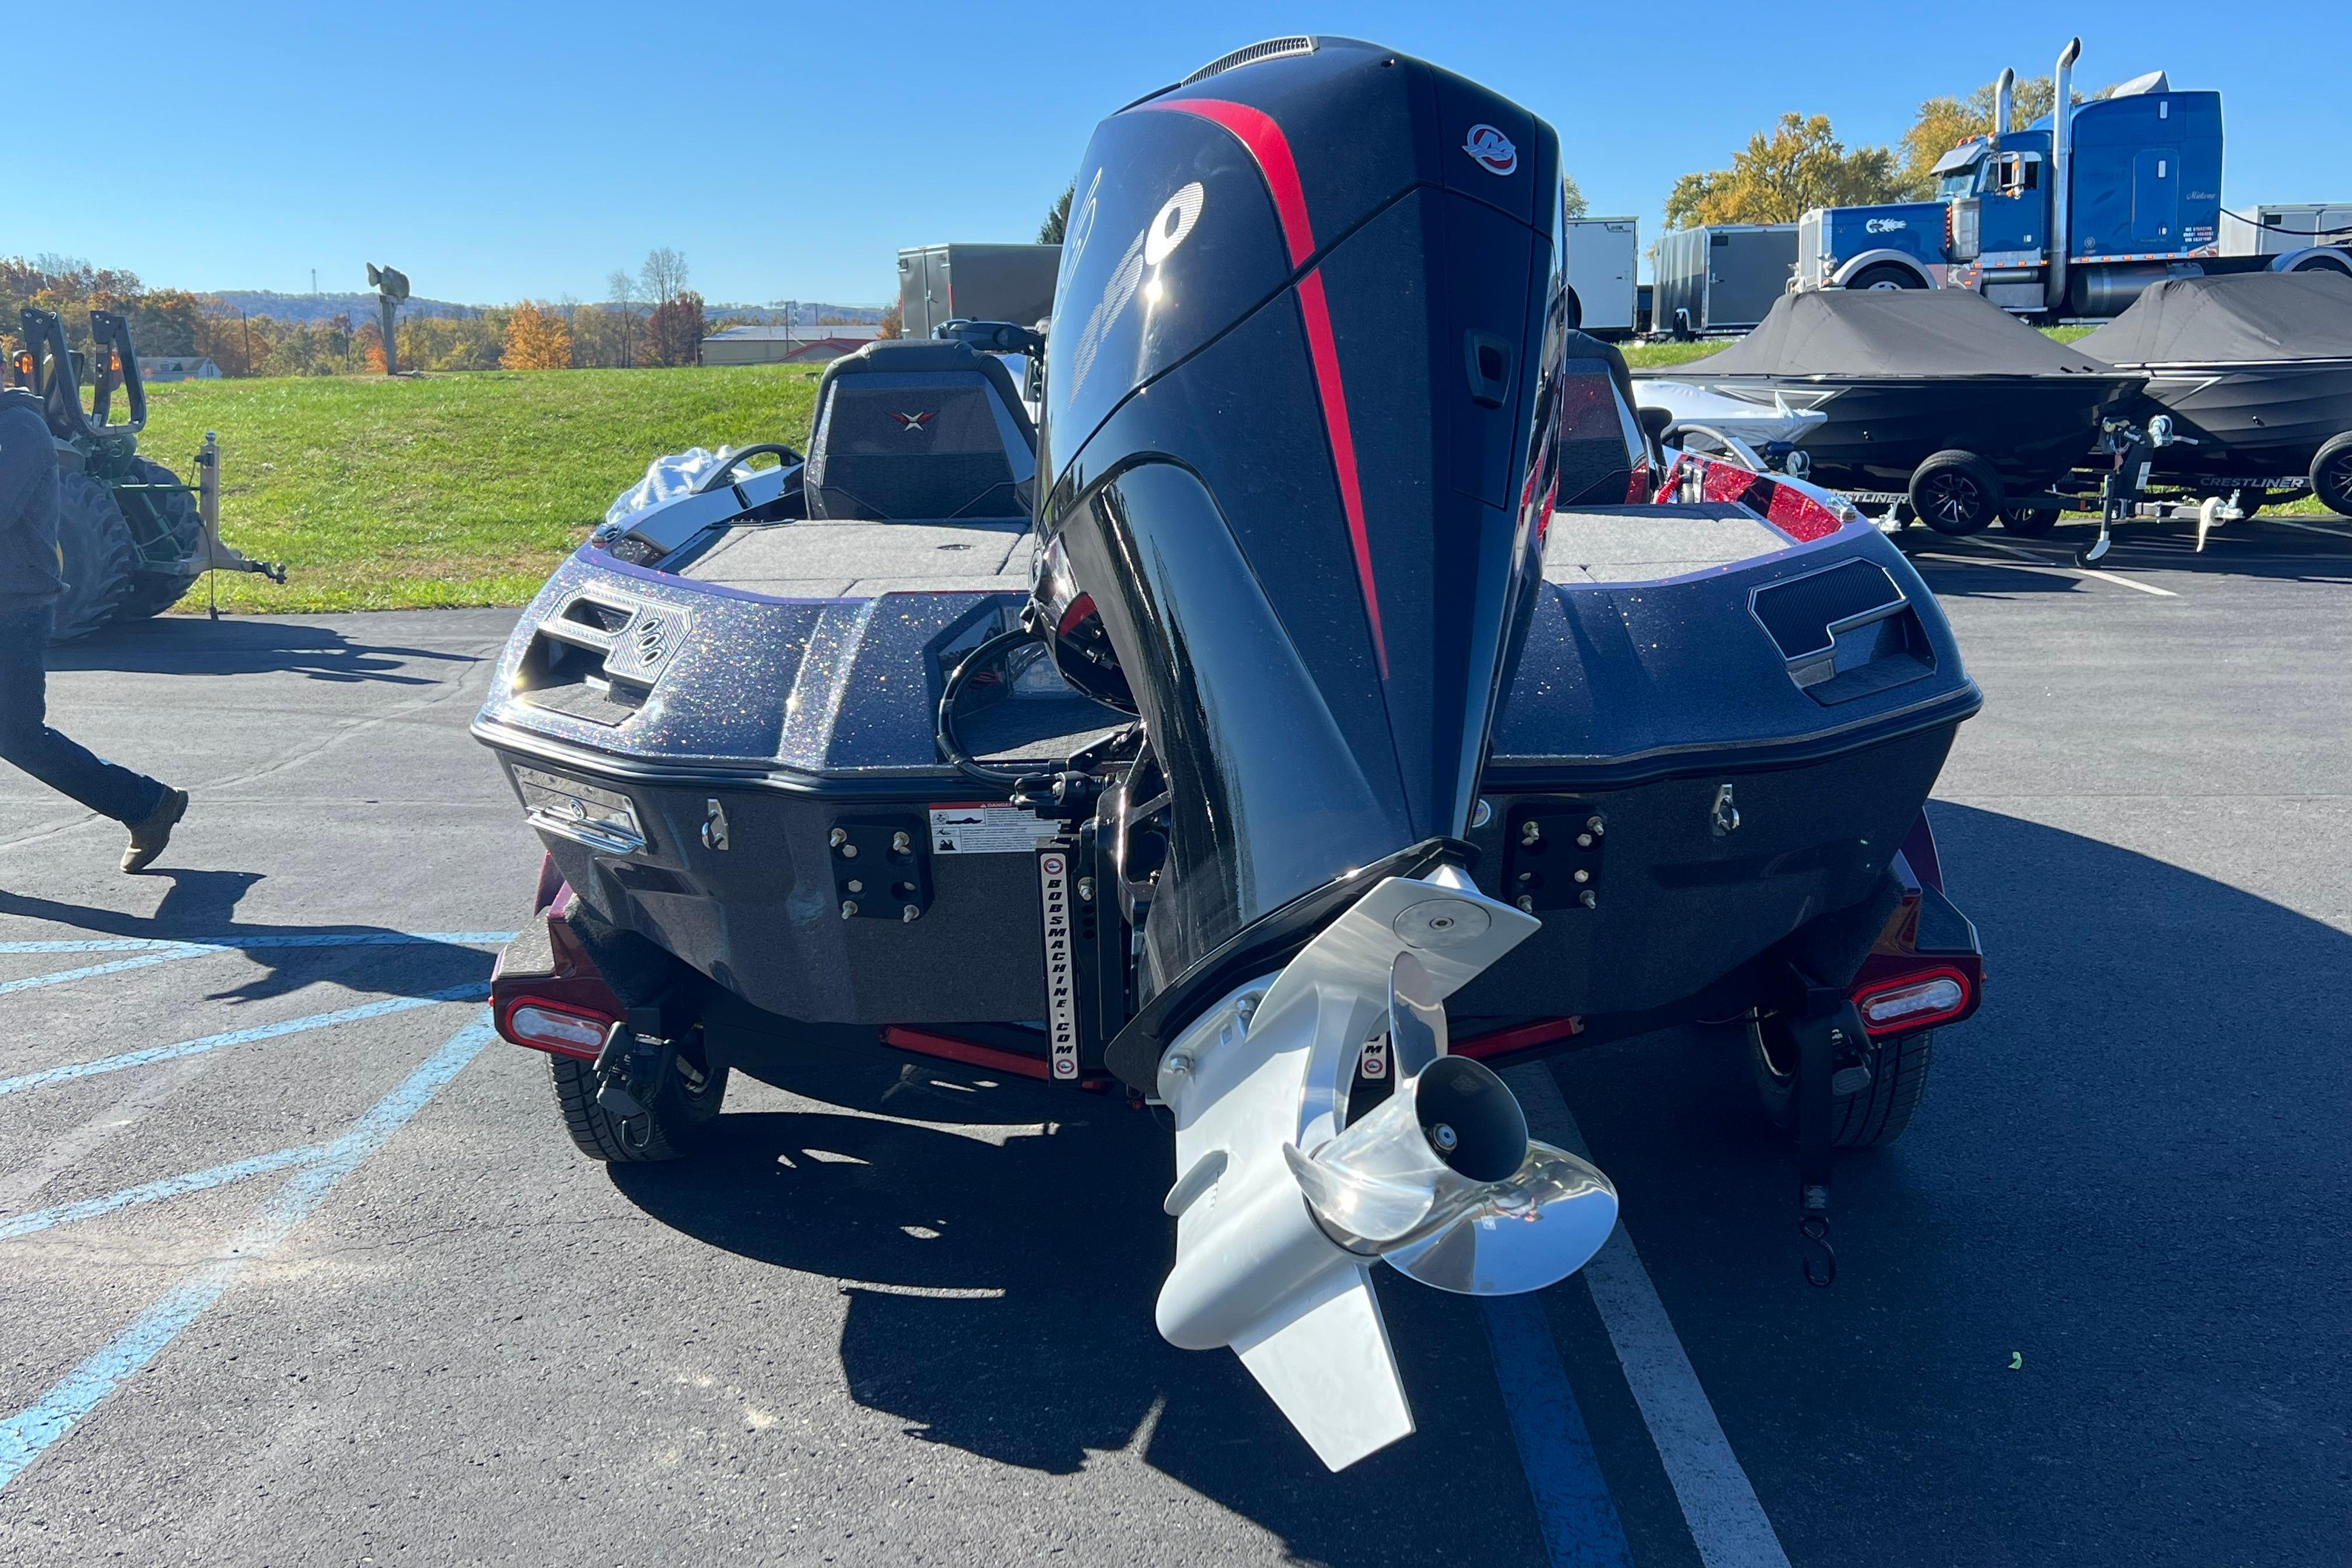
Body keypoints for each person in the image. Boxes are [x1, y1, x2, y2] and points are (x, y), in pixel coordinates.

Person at [0, 383, 187, 872]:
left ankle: (147, 805)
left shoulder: (20, 428)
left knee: (17, 735)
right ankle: (145, 804)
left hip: (13, 609)